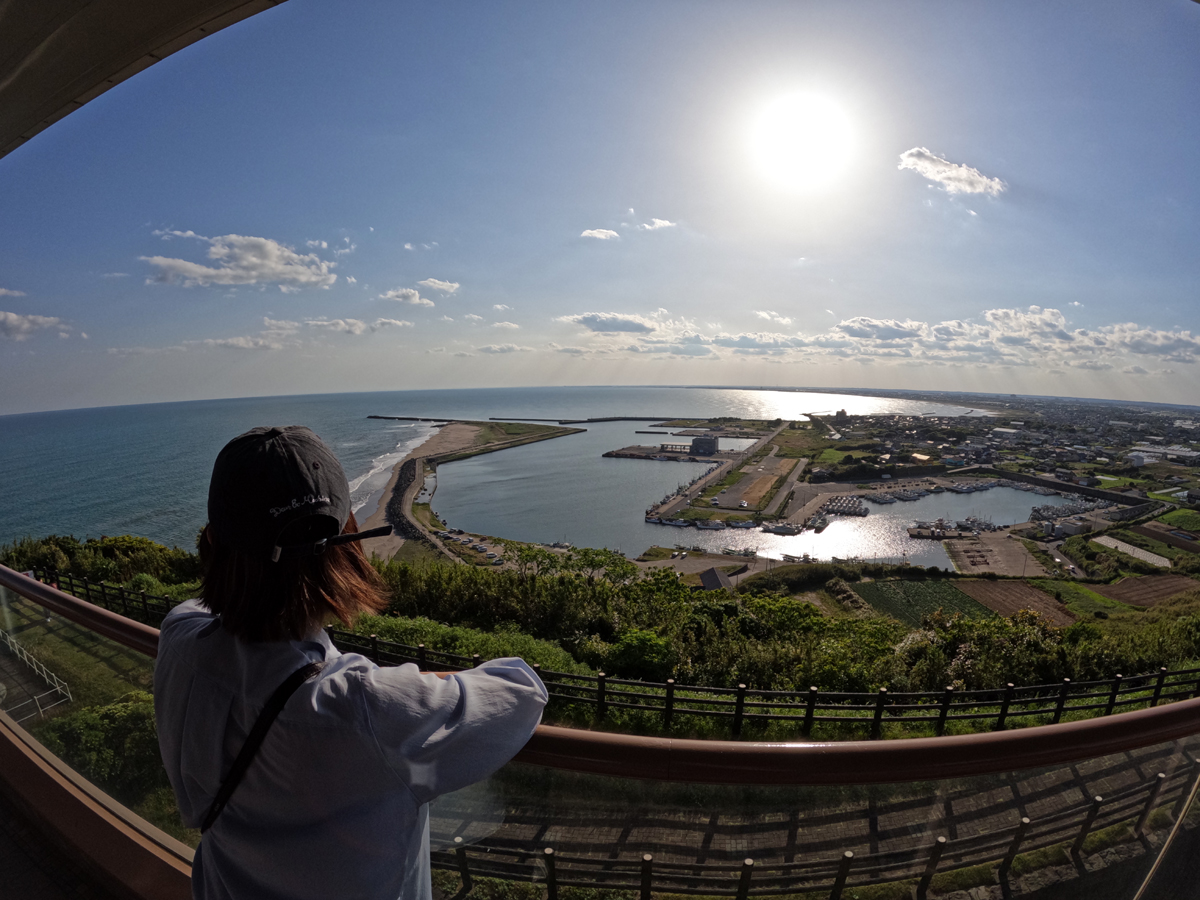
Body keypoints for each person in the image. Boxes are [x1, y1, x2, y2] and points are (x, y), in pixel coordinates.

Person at [155, 426, 547, 900]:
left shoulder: (179, 641)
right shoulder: (363, 706)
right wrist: (402, 681)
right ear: (350, 538)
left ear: (214, 542)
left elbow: (202, 611)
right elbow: (521, 691)